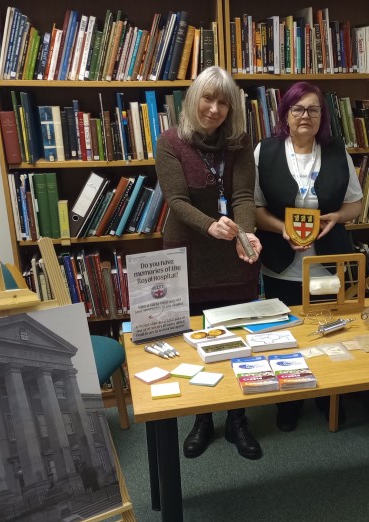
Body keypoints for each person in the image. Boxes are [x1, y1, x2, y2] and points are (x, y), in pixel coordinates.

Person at [155, 66, 263, 460]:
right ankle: (201, 418)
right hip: (189, 252)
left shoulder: (239, 141)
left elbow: (244, 196)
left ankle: (238, 419)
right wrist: (211, 226)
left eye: (223, 102)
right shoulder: (170, 141)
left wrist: (245, 233)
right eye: (208, 98)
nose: (215, 109)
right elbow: (177, 201)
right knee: (196, 342)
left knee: (239, 341)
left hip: (234, 256)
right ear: (193, 99)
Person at [254, 81, 363, 431]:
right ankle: (290, 401)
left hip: (327, 262)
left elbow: (355, 204)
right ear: (285, 114)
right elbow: (254, 209)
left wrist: (337, 217)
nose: (306, 116)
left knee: (330, 334)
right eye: (298, 109)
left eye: (313, 109)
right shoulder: (265, 152)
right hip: (281, 263)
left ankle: (330, 398)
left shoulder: (336, 152)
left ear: (322, 117)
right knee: (286, 336)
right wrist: (280, 228)